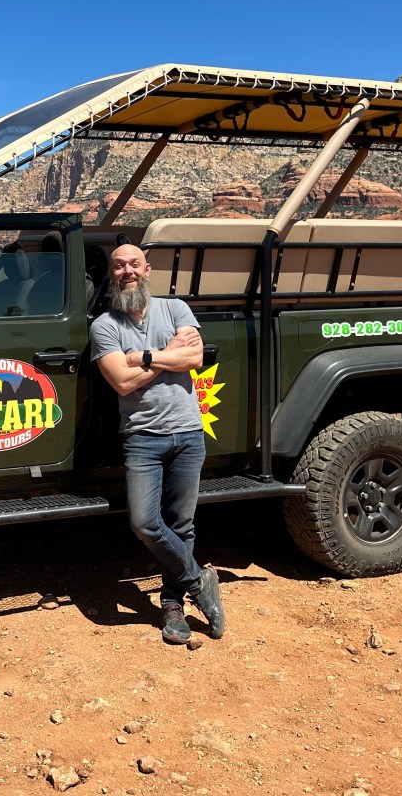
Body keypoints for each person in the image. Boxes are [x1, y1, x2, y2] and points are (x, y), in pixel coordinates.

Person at [90, 243, 226, 645]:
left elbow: (194, 359)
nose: (127, 271)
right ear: (111, 274)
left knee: (182, 524)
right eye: (118, 266)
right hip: (142, 437)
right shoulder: (105, 326)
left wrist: (143, 356)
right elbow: (121, 381)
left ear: (147, 269)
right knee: (146, 523)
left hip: (187, 431)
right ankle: (201, 582)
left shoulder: (175, 308)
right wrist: (167, 354)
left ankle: (172, 606)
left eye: (134, 264)